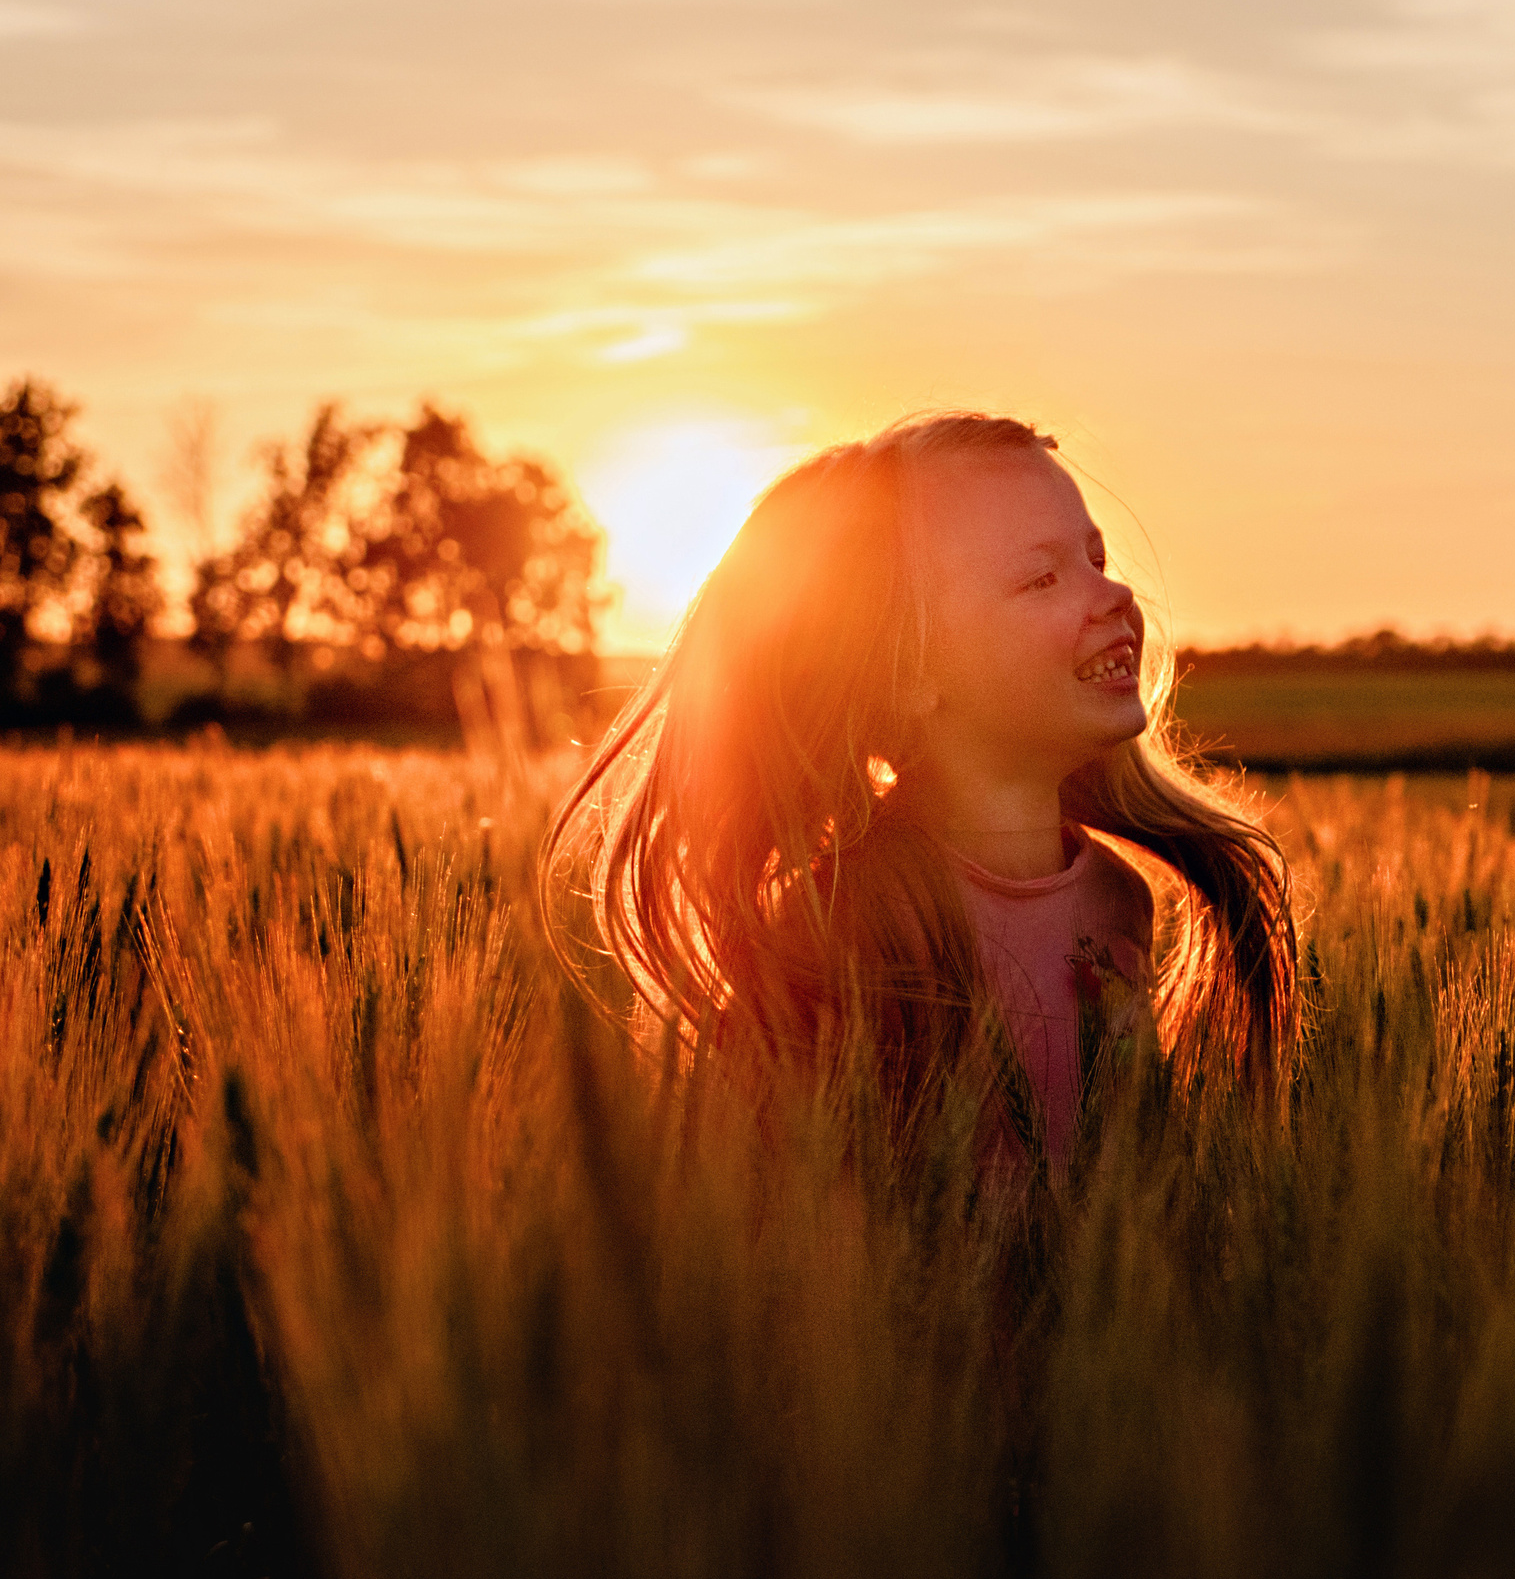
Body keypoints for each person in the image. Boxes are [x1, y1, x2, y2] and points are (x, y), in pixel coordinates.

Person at [542, 410, 1297, 1181]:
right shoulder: (841, 926)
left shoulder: (1117, 903)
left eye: (1097, 558)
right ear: (908, 675)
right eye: (1043, 577)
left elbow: (1138, 1181)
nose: (1114, 594)